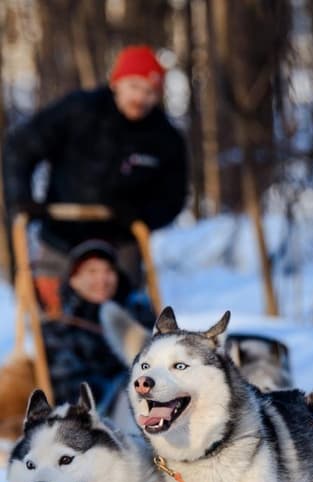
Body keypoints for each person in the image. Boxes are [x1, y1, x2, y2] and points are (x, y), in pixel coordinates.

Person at [3, 45, 187, 311]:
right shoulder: (79, 111)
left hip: (121, 243)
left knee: (122, 320)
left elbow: (173, 198)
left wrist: (142, 214)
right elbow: (20, 146)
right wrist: (21, 197)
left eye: (149, 92)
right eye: (134, 86)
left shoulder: (165, 137)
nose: (141, 98)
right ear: (117, 83)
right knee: (53, 317)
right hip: (61, 233)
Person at [42, 239, 156, 414]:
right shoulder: (60, 330)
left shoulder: (140, 315)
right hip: (97, 414)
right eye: (92, 271)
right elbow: (70, 389)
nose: (102, 279)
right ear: (74, 280)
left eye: (108, 270)